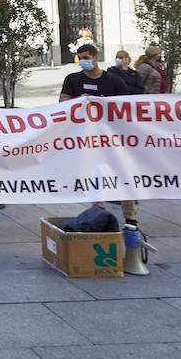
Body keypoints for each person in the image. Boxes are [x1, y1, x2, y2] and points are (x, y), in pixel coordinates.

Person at [60, 43, 134, 229]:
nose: (84, 61)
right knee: (95, 176)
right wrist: (80, 100)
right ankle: (99, 215)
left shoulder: (114, 81)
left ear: (95, 58)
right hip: (86, 138)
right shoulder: (73, 79)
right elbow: (62, 102)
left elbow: (124, 106)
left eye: (87, 57)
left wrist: (105, 103)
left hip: (112, 138)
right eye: (81, 58)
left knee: (123, 175)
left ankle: (131, 219)